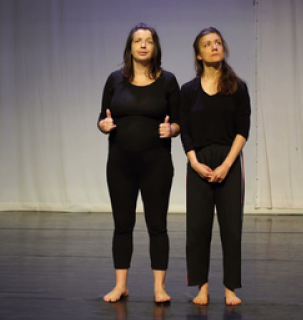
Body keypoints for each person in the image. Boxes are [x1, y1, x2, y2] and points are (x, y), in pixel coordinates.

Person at [98, 22, 181, 303]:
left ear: (155, 47)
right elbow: (102, 117)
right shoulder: (114, 79)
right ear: (130, 47)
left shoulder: (168, 80)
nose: (143, 45)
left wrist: (171, 130)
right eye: (138, 40)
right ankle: (121, 285)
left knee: (157, 225)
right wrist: (104, 124)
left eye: (148, 40)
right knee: (122, 224)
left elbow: (180, 121)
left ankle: (159, 287)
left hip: (156, 163)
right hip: (120, 163)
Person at [180, 27, 251, 306]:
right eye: (207, 44)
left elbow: (242, 130)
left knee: (231, 228)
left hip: (229, 161)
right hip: (198, 162)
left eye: (218, 43)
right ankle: (202, 286)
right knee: (198, 228)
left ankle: (231, 287)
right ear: (199, 54)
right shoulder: (188, 91)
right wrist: (194, 162)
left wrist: (227, 164)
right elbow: (185, 131)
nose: (214, 47)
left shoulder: (237, 87)